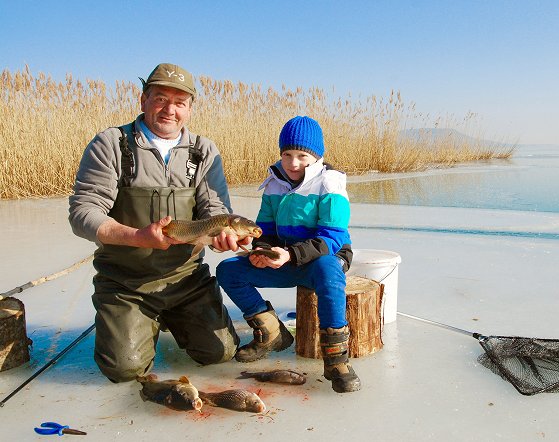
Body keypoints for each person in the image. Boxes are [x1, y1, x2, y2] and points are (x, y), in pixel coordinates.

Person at [69, 63, 248, 383]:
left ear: (190, 109)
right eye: (161, 98)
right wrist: (137, 236)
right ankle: (133, 318)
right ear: (143, 100)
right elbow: (84, 212)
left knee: (219, 352)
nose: (170, 110)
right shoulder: (112, 143)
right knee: (124, 369)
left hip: (186, 279)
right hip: (127, 282)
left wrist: (224, 239)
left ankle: (173, 315)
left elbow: (216, 211)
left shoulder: (203, 151)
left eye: (180, 103)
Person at [216, 116, 361, 393]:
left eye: (302, 156)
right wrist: (261, 251)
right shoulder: (274, 184)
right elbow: (265, 231)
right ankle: (271, 332)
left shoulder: (330, 185)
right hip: (284, 257)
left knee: (328, 270)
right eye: (287, 154)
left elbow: (332, 238)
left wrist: (290, 255)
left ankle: (336, 359)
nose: (293, 163)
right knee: (229, 270)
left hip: (322, 259)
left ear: (316, 157)